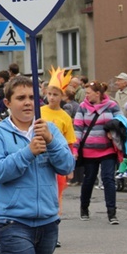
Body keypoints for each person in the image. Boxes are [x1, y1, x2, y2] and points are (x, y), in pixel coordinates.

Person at [0, 76, 74, 254]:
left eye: (32, 97)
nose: (27, 103)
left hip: (47, 222)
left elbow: (67, 166)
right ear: (7, 102)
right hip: (13, 223)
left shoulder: (48, 128)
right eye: (20, 98)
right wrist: (28, 152)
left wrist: (51, 142)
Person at [74, 80, 121, 225]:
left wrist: (112, 129)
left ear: (98, 93)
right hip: (89, 150)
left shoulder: (112, 106)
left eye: (88, 93)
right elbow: (78, 129)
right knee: (89, 180)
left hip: (108, 149)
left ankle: (112, 212)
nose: (86, 96)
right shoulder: (82, 107)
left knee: (109, 179)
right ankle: (84, 208)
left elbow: (122, 122)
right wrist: (75, 149)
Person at [41, 68, 76, 233]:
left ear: (62, 96)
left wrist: (70, 168)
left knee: (57, 196)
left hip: (58, 159)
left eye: (56, 94)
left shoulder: (65, 117)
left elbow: (69, 144)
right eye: (50, 94)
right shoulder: (39, 112)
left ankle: (54, 228)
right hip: (40, 157)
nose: (52, 98)